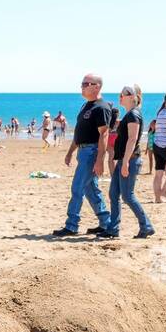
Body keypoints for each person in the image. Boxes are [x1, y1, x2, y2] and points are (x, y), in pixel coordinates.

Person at [53, 73, 113, 237]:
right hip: (83, 150)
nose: (82, 86)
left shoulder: (101, 107)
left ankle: (72, 225)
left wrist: (100, 159)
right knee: (90, 189)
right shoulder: (86, 106)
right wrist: (70, 152)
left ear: (97, 86)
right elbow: (80, 133)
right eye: (82, 83)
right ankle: (105, 223)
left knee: (77, 187)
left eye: (86, 83)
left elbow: (104, 134)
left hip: (92, 152)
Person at [108, 84, 154, 239]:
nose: (120, 96)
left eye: (123, 94)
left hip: (131, 159)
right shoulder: (129, 114)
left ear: (132, 97)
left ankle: (146, 226)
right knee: (113, 193)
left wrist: (126, 161)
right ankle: (113, 228)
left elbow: (133, 139)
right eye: (120, 93)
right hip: (123, 159)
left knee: (128, 196)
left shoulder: (134, 114)